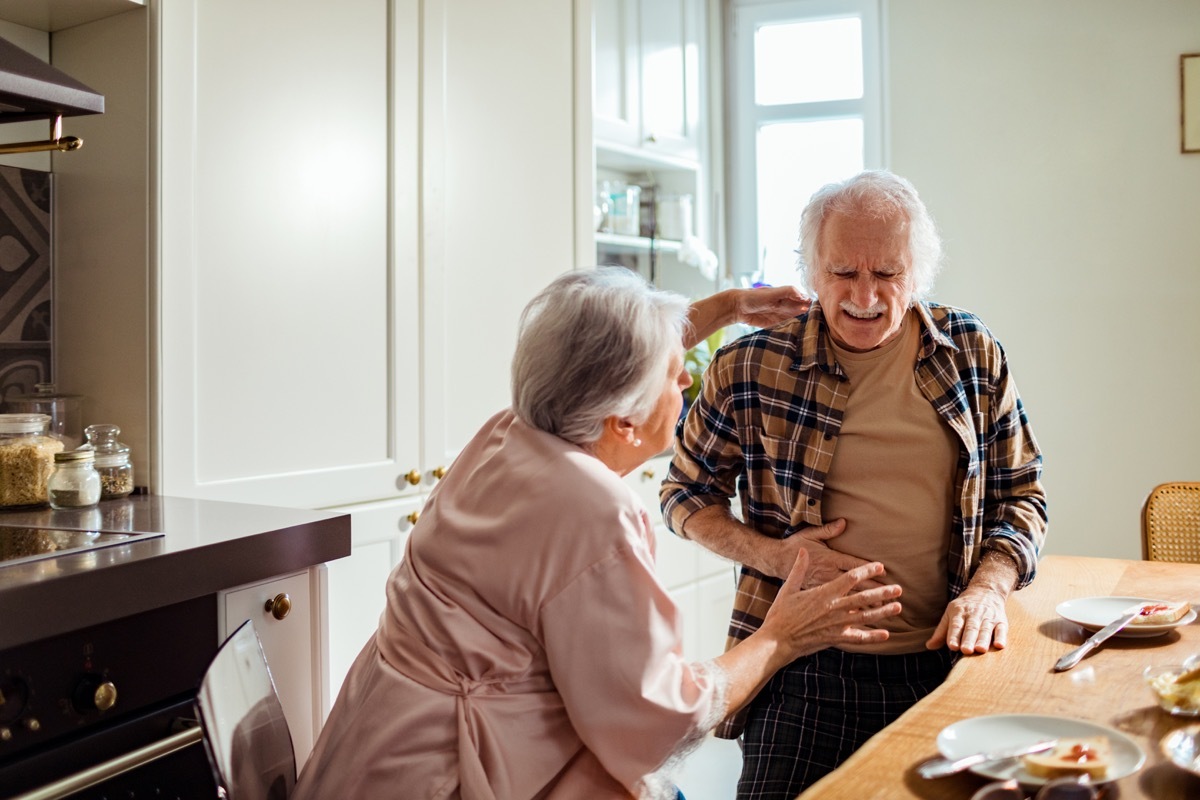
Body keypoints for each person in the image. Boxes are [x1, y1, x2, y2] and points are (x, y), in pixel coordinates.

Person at [291, 267, 904, 800]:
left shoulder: (508, 433)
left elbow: (596, 355)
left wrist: (728, 307)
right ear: (624, 420)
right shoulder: (594, 512)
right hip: (444, 776)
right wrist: (781, 637)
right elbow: (659, 716)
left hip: (369, 745)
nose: (686, 382)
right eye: (672, 375)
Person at [660, 170, 1048, 798]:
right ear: (811, 272)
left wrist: (987, 591)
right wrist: (773, 555)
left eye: (888, 275)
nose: (864, 295)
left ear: (917, 274)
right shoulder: (752, 366)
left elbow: (1022, 493)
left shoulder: (971, 353)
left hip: (948, 663)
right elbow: (683, 495)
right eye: (843, 272)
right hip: (803, 665)